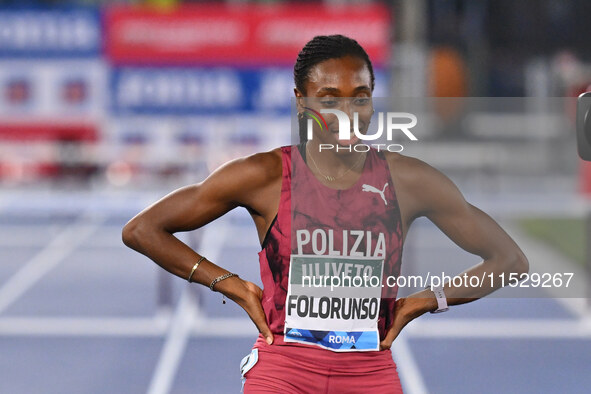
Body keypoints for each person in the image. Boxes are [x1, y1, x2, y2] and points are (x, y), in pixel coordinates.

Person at [122, 35, 529, 393]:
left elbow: (510, 260)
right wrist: (228, 284)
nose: (347, 112)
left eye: (361, 97)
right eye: (329, 99)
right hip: (283, 370)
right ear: (301, 100)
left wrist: (427, 300)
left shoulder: (408, 181)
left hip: (369, 370)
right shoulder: (263, 176)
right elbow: (143, 229)